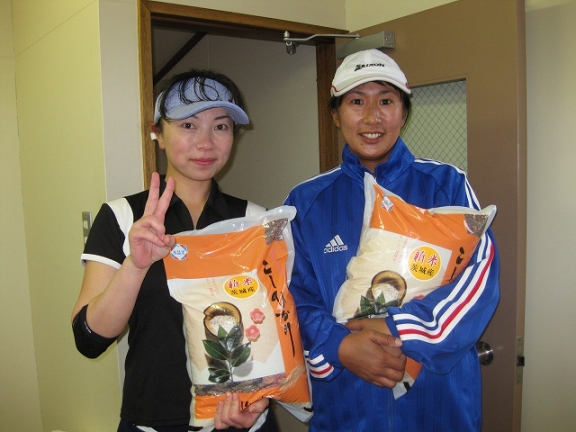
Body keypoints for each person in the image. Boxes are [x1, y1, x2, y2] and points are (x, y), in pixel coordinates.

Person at [284, 49, 499, 431]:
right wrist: (339, 345)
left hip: (438, 404)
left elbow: (478, 279)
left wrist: (399, 327)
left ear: (403, 112)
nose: (372, 117)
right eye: (356, 102)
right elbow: (292, 296)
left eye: (386, 101)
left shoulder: (446, 185)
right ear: (335, 115)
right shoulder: (306, 202)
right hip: (347, 405)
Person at [72, 69, 278, 432]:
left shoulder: (255, 220)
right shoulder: (123, 217)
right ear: (158, 134)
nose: (205, 143)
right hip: (153, 420)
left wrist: (259, 401)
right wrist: (136, 265)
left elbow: (276, 331)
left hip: (243, 417)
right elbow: (88, 340)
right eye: (187, 125)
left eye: (220, 126)